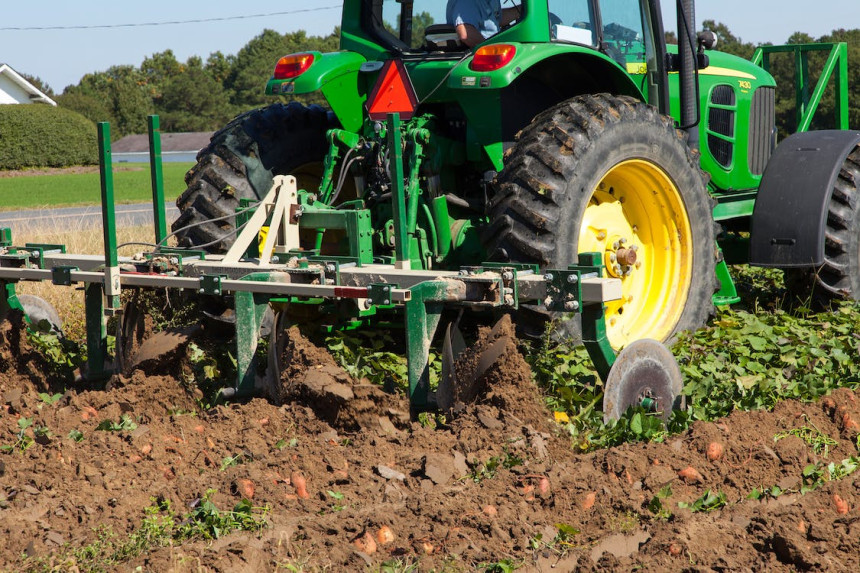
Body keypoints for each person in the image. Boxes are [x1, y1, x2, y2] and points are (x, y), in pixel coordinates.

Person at [446, 0, 520, 48]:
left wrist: (523, 10)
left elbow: (496, 19)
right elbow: (466, 34)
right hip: (479, 57)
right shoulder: (468, 2)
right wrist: (493, 51)